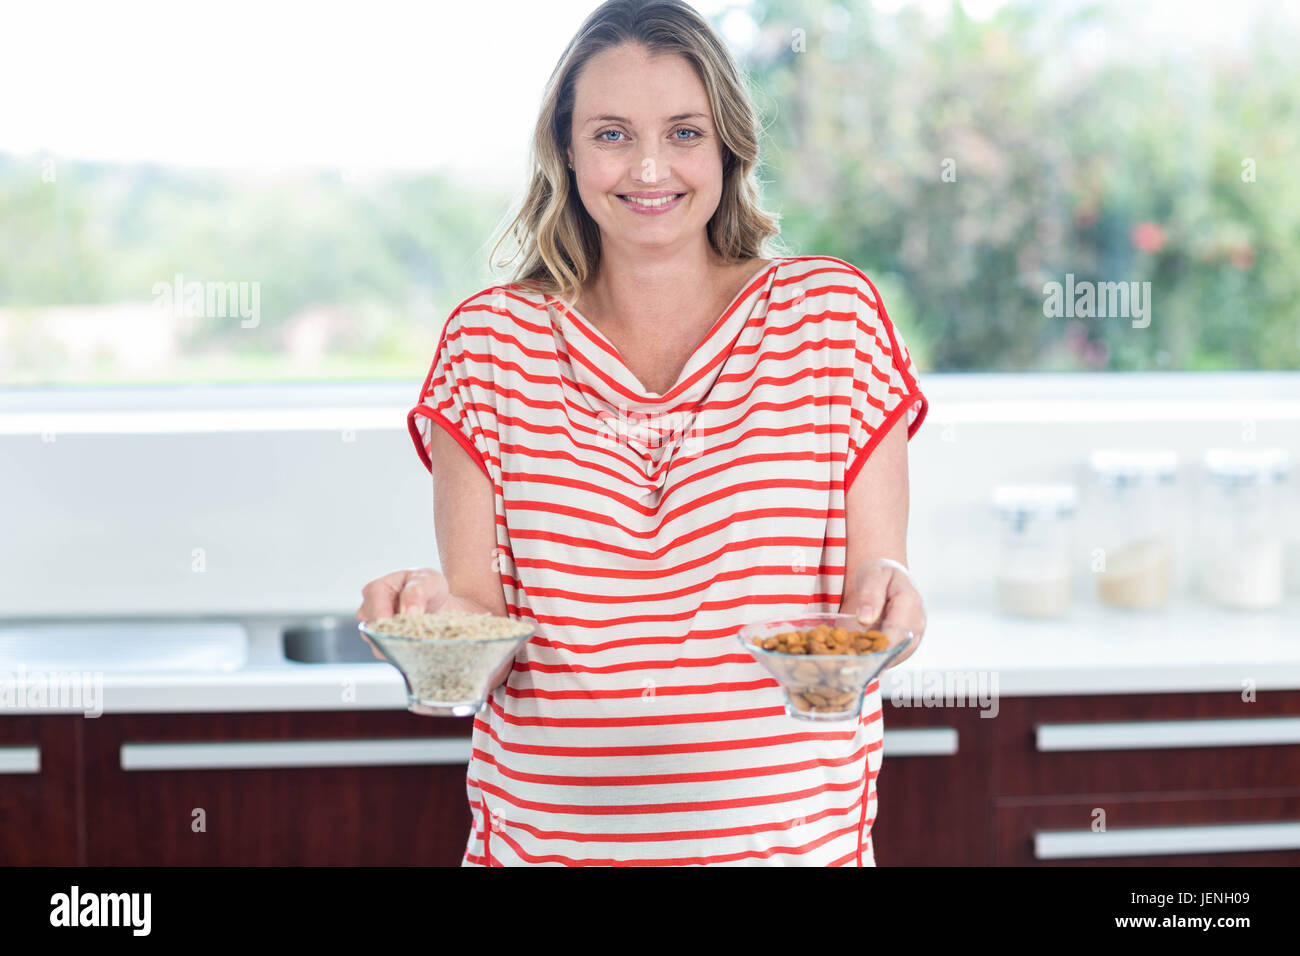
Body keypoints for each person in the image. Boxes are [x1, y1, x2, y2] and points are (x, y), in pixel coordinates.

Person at [356, 0, 929, 866]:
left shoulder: (830, 323)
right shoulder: (491, 345)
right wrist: (433, 618)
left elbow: (871, 594)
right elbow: (484, 630)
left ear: (729, 145)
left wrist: (895, 603)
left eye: (686, 132)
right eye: (613, 134)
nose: (651, 166)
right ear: (569, 151)